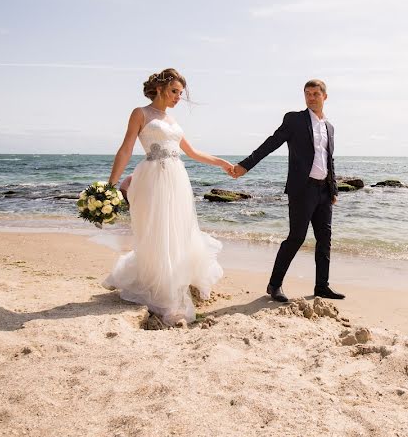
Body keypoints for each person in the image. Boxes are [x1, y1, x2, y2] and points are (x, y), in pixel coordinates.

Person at [103, 68, 233, 324]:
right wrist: (111, 185)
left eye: (180, 94)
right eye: (174, 92)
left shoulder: (173, 122)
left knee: (177, 231)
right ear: (160, 89)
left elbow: (193, 152)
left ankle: (175, 280)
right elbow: (126, 148)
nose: (178, 98)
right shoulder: (140, 113)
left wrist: (222, 163)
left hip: (177, 180)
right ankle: (162, 290)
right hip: (152, 179)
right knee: (156, 231)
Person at [231, 79, 345, 302]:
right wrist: (245, 165)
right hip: (302, 189)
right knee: (296, 238)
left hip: (324, 191)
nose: (311, 97)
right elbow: (271, 143)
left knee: (325, 239)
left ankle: (322, 286)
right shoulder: (294, 119)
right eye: (307, 94)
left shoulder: (329, 127)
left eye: (315, 94)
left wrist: (334, 191)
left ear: (325, 97)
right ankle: (274, 286)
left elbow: (328, 160)